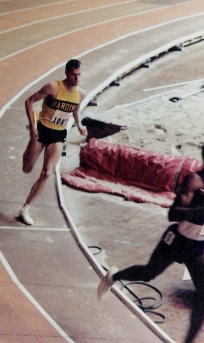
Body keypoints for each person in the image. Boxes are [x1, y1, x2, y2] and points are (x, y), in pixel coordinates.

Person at [97, 144, 204, 343]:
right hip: (176, 241)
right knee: (148, 273)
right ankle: (113, 277)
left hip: (197, 246)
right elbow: (173, 214)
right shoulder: (194, 181)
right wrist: (198, 211)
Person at [19, 59, 88, 225]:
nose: (77, 79)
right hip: (42, 130)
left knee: (47, 173)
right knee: (27, 168)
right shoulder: (53, 87)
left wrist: (79, 124)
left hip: (58, 134)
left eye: (79, 75)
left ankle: (25, 209)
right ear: (67, 73)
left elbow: (76, 110)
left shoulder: (80, 94)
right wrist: (34, 127)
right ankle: (31, 138)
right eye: (74, 75)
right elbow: (29, 101)